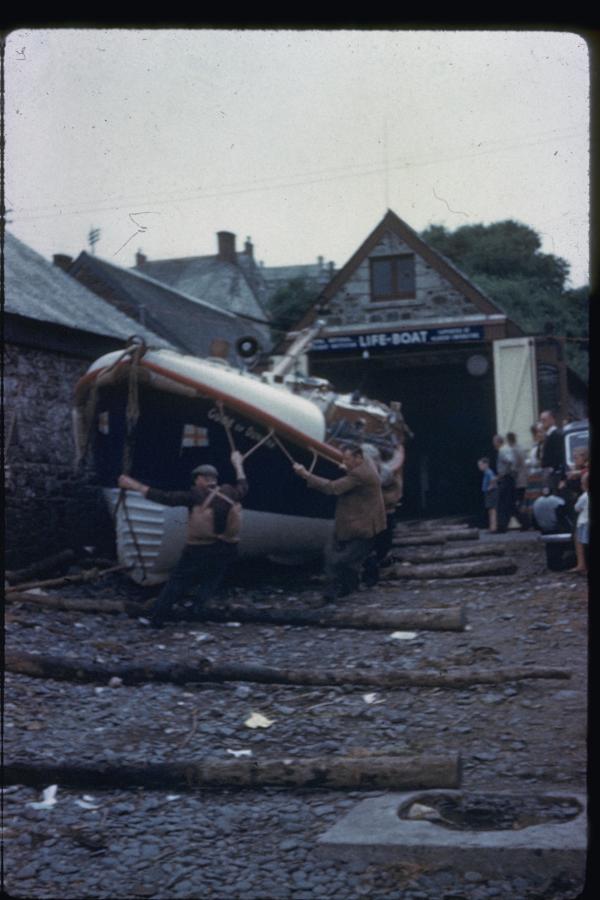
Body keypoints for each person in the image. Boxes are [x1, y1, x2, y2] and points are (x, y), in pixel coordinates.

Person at [118, 450, 248, 627]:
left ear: (200, 479)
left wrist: (134, 485)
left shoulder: (196, 495)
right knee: (211, 580)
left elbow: (166, 498)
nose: (195, 482)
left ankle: (157, 619)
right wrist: (238, 464)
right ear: (215, 479)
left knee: (177, 581)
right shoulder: (231, 492)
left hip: (199, 548)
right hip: (227, 548)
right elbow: (244, 485)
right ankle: (198, 610)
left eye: (196, 479)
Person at [293, 443, 386, 600]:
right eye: (343, 459)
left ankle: (339, 591)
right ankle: (342, 591)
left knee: (339, 560)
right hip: (356, 522)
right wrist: (348, 468)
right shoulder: (367, 462)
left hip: (361, 526)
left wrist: (305, 475)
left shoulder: (360, 475)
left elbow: (332, 488)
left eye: (347, 459)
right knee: (337, 557)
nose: (344, 462)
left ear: (358, 458)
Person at [492, 434, 517, 533]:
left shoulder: (503, 450)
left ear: (498, 442)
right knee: (509, 503)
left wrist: (504, 473)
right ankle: (525, 522)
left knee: (501, 504)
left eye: (494, 441)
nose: (493, 444)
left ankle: (501, 526)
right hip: (509, 478)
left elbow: (510, 461)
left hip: (505, 479)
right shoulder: (507, 449)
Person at [506, 432, 528, 528]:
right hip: (524, 478)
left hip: (518, 480)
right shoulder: (521, 448)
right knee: (521, 501)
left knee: (515, 503)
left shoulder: (514, 450)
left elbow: (514, 466)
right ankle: (525, 522)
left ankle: (524, 522)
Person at [539, 410, 565, 490]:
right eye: (541, 420)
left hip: (554, 472)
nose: (542, 422)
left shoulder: (557, 434)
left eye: (544, 420)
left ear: (552, 419)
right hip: (548, 471)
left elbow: (560, 454)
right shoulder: (547, 435)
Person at [571, 470, 589, 575]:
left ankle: (582, 565)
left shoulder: (584, 496)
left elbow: (576, 508)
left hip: (583, 524)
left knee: (582, 543)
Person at [477, 457, 498, 532]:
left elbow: (493, 479)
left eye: (480, 464)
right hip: (489, 492)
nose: (479, 466)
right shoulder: (486, 472)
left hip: (491, 492)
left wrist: (490, 487)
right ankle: (492, 526)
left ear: (486, 464)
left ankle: (493, 527)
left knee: (492, 509)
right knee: (490, 510)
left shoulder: (489, 472)